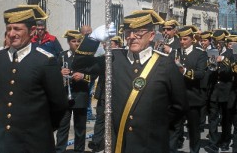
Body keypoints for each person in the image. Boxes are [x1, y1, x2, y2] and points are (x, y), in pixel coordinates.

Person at [72, 10, 188, 153]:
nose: (132, 37)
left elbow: (179, 105)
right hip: (120, 142)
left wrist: (158, 126)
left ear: (151, 35)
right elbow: (79, 65)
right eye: (128, 32)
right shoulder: (114, 58)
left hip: (152, 143)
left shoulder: (166, 64)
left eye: (138, 32)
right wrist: (92, 39)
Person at [0, 5, 68, 153]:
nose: (11, 33)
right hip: (4, 141)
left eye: (17, 29)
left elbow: (59, 104)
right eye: (9, 28)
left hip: (34, 141)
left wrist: (41, 127)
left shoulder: (45, 60)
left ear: (32, 31)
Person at [56, 30, 94, 153]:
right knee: (63, 126)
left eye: (79, 41)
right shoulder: (62, 55)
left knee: (80, 127)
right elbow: (52, 73)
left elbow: (93, 74)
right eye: (73, 41)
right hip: (65, 95)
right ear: (68, 42)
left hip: (80, 94)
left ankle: (79, 150)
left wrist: (83, 76)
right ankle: (60, 150)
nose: (76, 43)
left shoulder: (87, 57)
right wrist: (60, 73)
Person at [173, 26, 207, 153]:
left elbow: (201, 73)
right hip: (177, 97)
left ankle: (194, 150)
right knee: (175, 127)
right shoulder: (175, 52)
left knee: (193, 129)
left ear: (192, 39)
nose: (182, 42)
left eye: (185, 39)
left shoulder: (200, 54)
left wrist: (185, 71)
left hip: (193, 97)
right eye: (180, 39)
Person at [88, 36, 124, 153]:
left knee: (115, 121)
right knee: (100, 120)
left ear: (117, 44)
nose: (105, 45)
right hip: (103, 94)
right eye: (104, 43)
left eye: (109, 43)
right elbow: (92, 72)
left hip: (117, 95)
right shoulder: (103, 58)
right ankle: (97, 143)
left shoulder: (123, 58)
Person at [204, 29, 234, 153]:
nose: (218, 44)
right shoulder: (212, 52)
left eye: (220, 42)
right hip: (214, 91)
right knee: (213, 118)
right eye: (216, 42)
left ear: (224, 41)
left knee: (226, 119)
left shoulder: (232, 53)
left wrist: (223, 60)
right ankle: (213, 143)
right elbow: (209, 68)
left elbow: (234, 69)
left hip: (226, 90)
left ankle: (226, 141)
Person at [80, 25, 98, 121]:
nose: (89, 35)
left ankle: (88, 112)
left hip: (91, 75)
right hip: (80, 74)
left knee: (89, 93)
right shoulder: (79, 44)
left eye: (90, 33)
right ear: (82, 34)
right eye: (86, 33)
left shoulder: (94, 43)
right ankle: (84, 113)